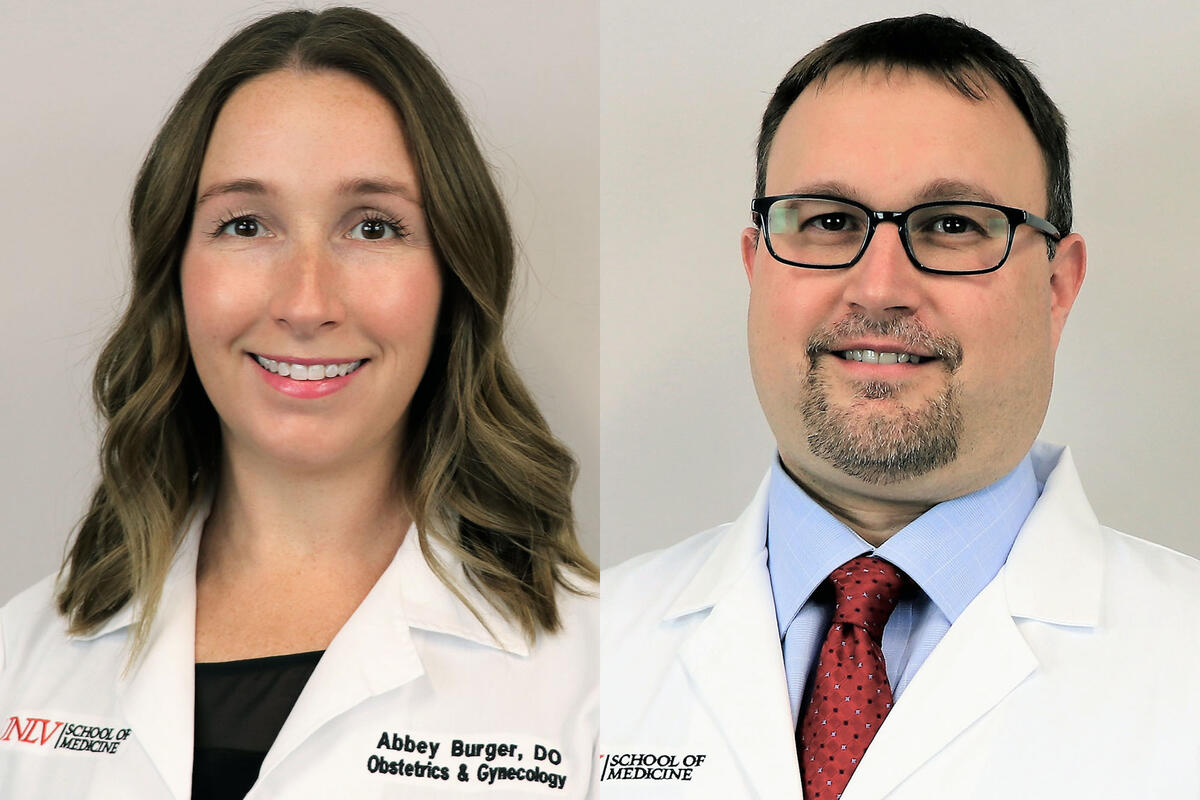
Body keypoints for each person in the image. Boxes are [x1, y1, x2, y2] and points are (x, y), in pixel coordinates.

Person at [0, 8, 597, 798]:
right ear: (174, 271)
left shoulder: (600, 674)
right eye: (246, 224)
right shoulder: (21, 660)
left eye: (374, 228)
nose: (306, 303)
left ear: (454, 276)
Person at [600, 14, 1200, 799]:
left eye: (952, 225)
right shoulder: (584, 646)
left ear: (1056, 287)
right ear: (757, 267)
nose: (879, 286)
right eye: (829, 221)